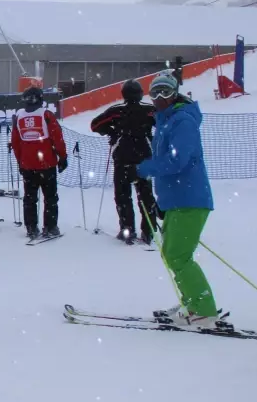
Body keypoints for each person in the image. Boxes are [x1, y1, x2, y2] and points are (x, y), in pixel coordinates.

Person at [136, 73, 222, 328]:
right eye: (155, 93)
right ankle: (192, 303)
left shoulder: (182, 121)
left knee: (179, 256)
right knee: (171, 254)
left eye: (165, 92)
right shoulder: (165, 121)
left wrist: (144, 168)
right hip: (176, 199)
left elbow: (177, 160)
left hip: (190, 199)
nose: (160, 98)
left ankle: (203, 310)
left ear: (175, 93)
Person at [90, 79, 158, 244]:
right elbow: (163, 123)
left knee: (123, 196)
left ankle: (127, 229)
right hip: (144, 160)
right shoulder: (149, 110)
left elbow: (95, 125)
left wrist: (113, 132)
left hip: (123, 159)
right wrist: (150, 135)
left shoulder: (117, 111)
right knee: (146, 196)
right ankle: (148, 231)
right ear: (141, 93)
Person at [10, 86, 67, 239]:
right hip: (46, 164)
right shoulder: (46, 114)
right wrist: (62, 157)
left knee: (30, 198)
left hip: (28, 165)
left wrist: (20, 161)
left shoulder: (18, 117)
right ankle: (50, 227)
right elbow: (57, 138)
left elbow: (15, 143)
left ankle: (31, 227)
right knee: (50, 197)